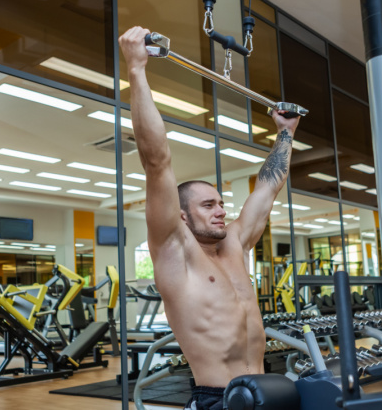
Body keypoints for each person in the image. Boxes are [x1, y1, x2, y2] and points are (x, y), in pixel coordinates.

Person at [119, 26, 301, 410]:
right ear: (181, 216)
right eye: (207, 205)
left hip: (267, 390)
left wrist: (285, 134)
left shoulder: (235, 243)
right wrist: (136, 70)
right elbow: (157, 161)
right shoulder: (175, 250)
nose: (220, 211)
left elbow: (267, 190)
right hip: (219, 398)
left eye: (220, 203)